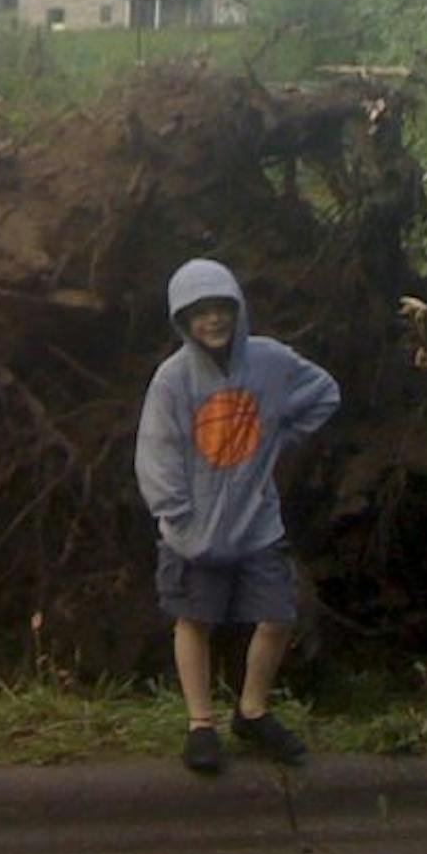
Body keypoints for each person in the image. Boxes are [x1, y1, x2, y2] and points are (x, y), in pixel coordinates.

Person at [136, 259, 340, 775]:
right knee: (195, 619)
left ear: (237, 308)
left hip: (257, 522)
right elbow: (156, 452)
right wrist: (177, 514)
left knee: (277, 615)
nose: (213, 320)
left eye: (222, 308)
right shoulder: (173, 380)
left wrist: (280, 438)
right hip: (194, 530)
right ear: (183, 320)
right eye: (199, 312)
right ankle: (200, 724)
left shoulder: (270, 361)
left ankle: (252, 710)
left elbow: (324, 393)